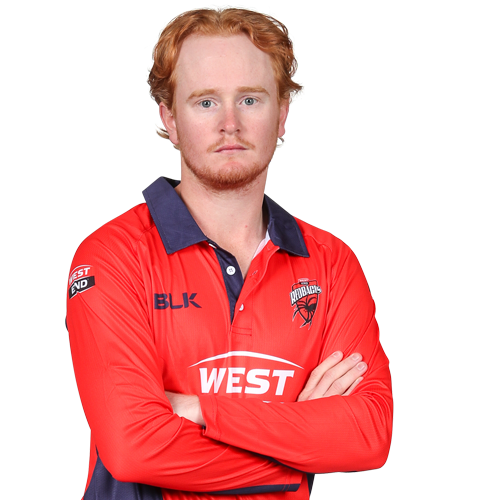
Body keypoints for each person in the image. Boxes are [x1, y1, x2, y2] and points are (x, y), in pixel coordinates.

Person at [66, 6, 393, 500]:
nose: (230, 123)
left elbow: (368, 436)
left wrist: (198, 409)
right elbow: (134, 447)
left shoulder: (331, 262)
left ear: (282, 115)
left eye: (250, 99)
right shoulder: (112, 256)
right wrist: (299, 446)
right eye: (205, 102)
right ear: (170, 119)